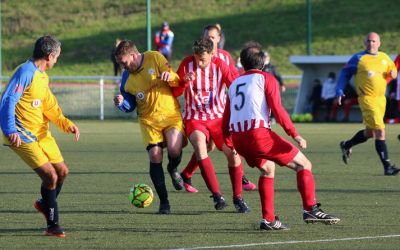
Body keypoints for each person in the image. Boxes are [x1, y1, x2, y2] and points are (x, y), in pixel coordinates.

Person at [223, 45, 340, 230]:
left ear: (243, 63)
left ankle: (268, 219)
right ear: (263, 62)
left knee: (268, 169)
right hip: (258, 135)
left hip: (239, 139)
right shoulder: (266, 78)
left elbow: (226, 119)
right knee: (304, 165)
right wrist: (295, 134)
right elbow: (278, 109)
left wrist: (230, 143)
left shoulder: (234, 83)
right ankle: (310, 208)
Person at [0, 35, 80, 237]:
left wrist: (66, 124)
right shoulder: (25, 72)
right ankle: (53, 225)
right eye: (57, 56)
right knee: (50, 175)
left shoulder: (42, 75)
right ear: (49, 55)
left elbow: (49, 105)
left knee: (62, 172)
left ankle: (45, 203)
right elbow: (8, 100)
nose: (57, 60)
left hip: (42, 134)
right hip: (22, 135)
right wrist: (10, 129)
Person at [174, 37, 250, 212]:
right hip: (194, 118)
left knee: (232, 154)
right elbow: (175, 91)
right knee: (201, 146)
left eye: (203, 59)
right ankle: (217, 196)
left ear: (212, 54)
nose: (199, 63)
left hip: (218, 118)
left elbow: (235, 86)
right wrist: (184, 82)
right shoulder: (186, 64)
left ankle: (238, 198)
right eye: (196, 58)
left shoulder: (220, 65)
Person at [113, 40, 186, 214]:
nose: (123, 66)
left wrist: (170, 76)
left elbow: (175, 79)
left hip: (170, 114)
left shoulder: (154, 57)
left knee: (175, 149)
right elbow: (130, 105)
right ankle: (164, 202)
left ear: (133, 55)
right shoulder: (126, 78)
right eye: (120, 63)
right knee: (155, 154)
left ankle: (173, 168)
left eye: (124, 62)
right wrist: (122, 103)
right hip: (148, 120)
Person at [337, 32, 399, 176]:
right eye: (369, 41)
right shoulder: (358, 58)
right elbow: (344, 74)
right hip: (367, 99)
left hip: (380, 100)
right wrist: (340, 90)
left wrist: (393, 72)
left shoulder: (384, 57)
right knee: (380, 131)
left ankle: (347, 145)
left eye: (374, 41)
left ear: (379, 43)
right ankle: (387, 166)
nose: (371, 44)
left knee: (370, 132)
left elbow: (392, 69)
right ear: (365, 43)